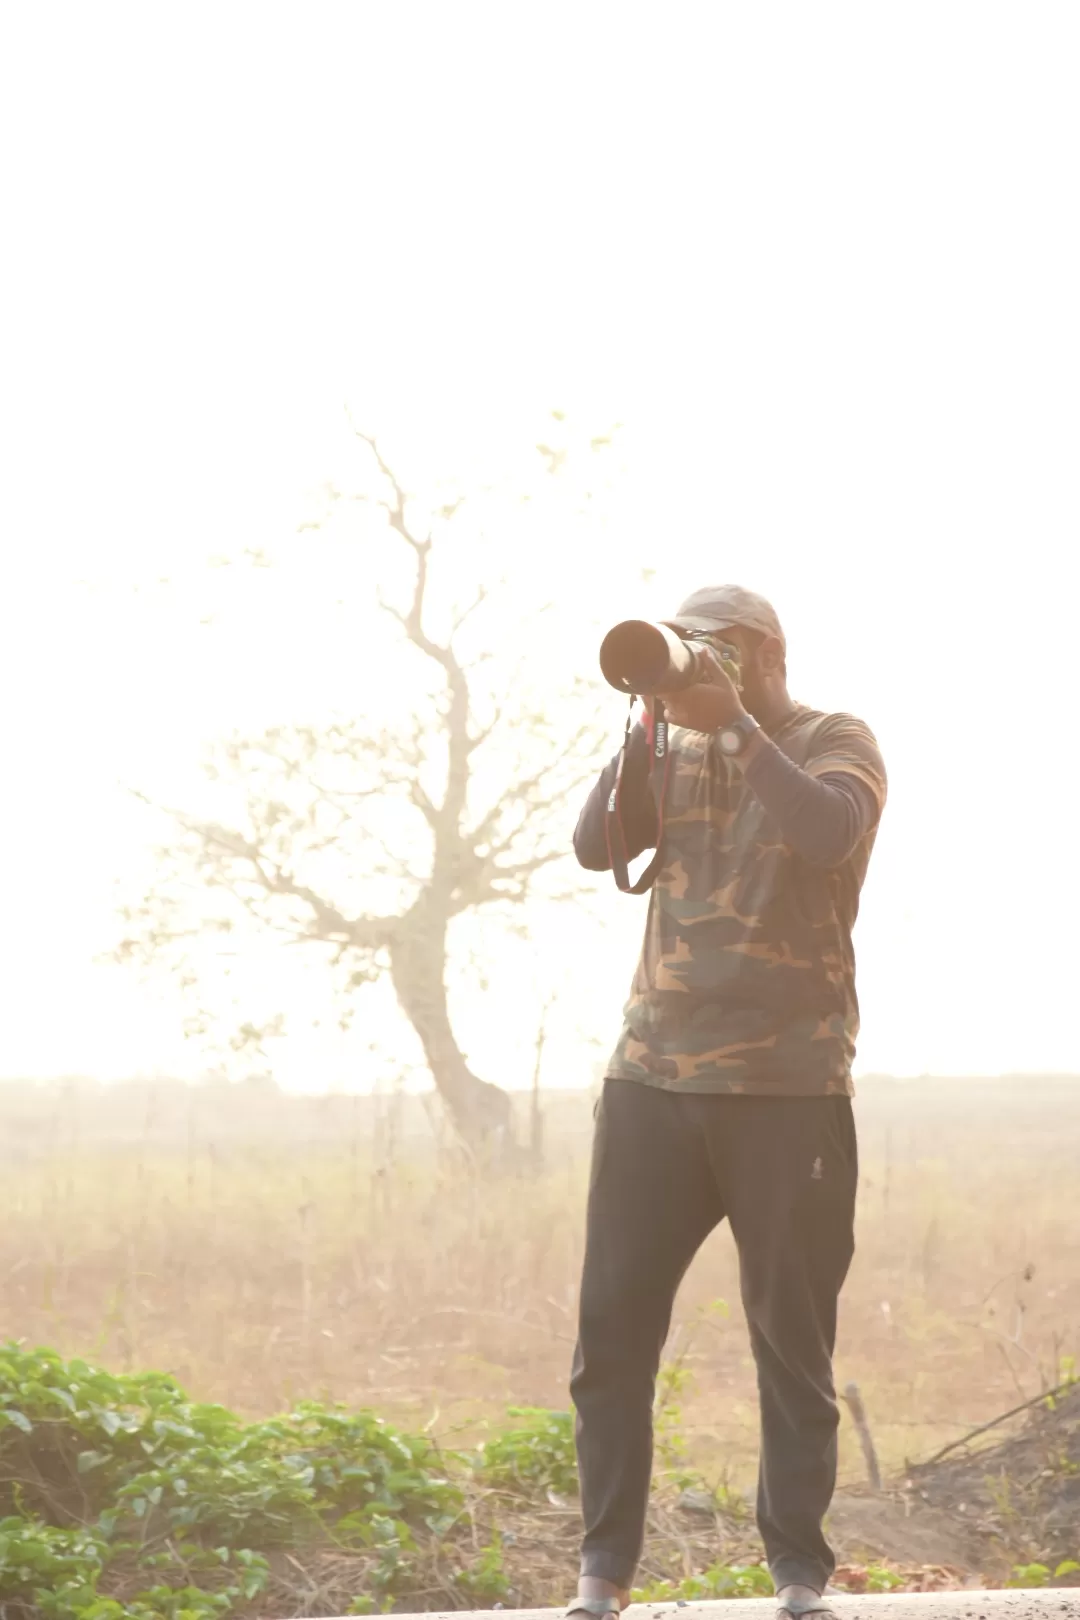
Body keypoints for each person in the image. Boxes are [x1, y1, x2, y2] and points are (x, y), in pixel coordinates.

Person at [567, 585, 887, 1620]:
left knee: (790, 1342)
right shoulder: (665, 747)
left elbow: (829, 832)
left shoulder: (834, 739)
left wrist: (738, 728)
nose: (685, 664)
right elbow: (591, 845)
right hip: (652, 1080)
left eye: (702, 650)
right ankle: (602, 1576)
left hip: (786, 1089)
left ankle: (798, 1576)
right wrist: (649, 722)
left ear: (756, 654)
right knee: (611, 1335)